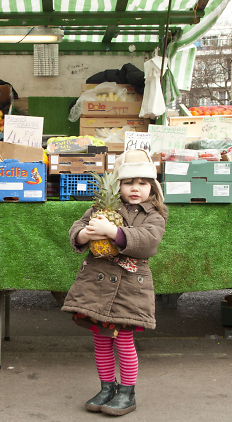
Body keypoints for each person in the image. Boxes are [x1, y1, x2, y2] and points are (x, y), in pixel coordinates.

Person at [62, 149, 168, 416]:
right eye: (128, 182)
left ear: (152, 187)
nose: (136, 188)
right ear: (118, 185)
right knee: (100, 340)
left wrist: (113, 231)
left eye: (143, 183)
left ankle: (127, 392)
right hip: (97, 289)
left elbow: (149, 241)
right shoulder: (102, 209)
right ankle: (107, 387)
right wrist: (84, 234)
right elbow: (78, 226)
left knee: (123, 341)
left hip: (129, 289)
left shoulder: (154, 213)